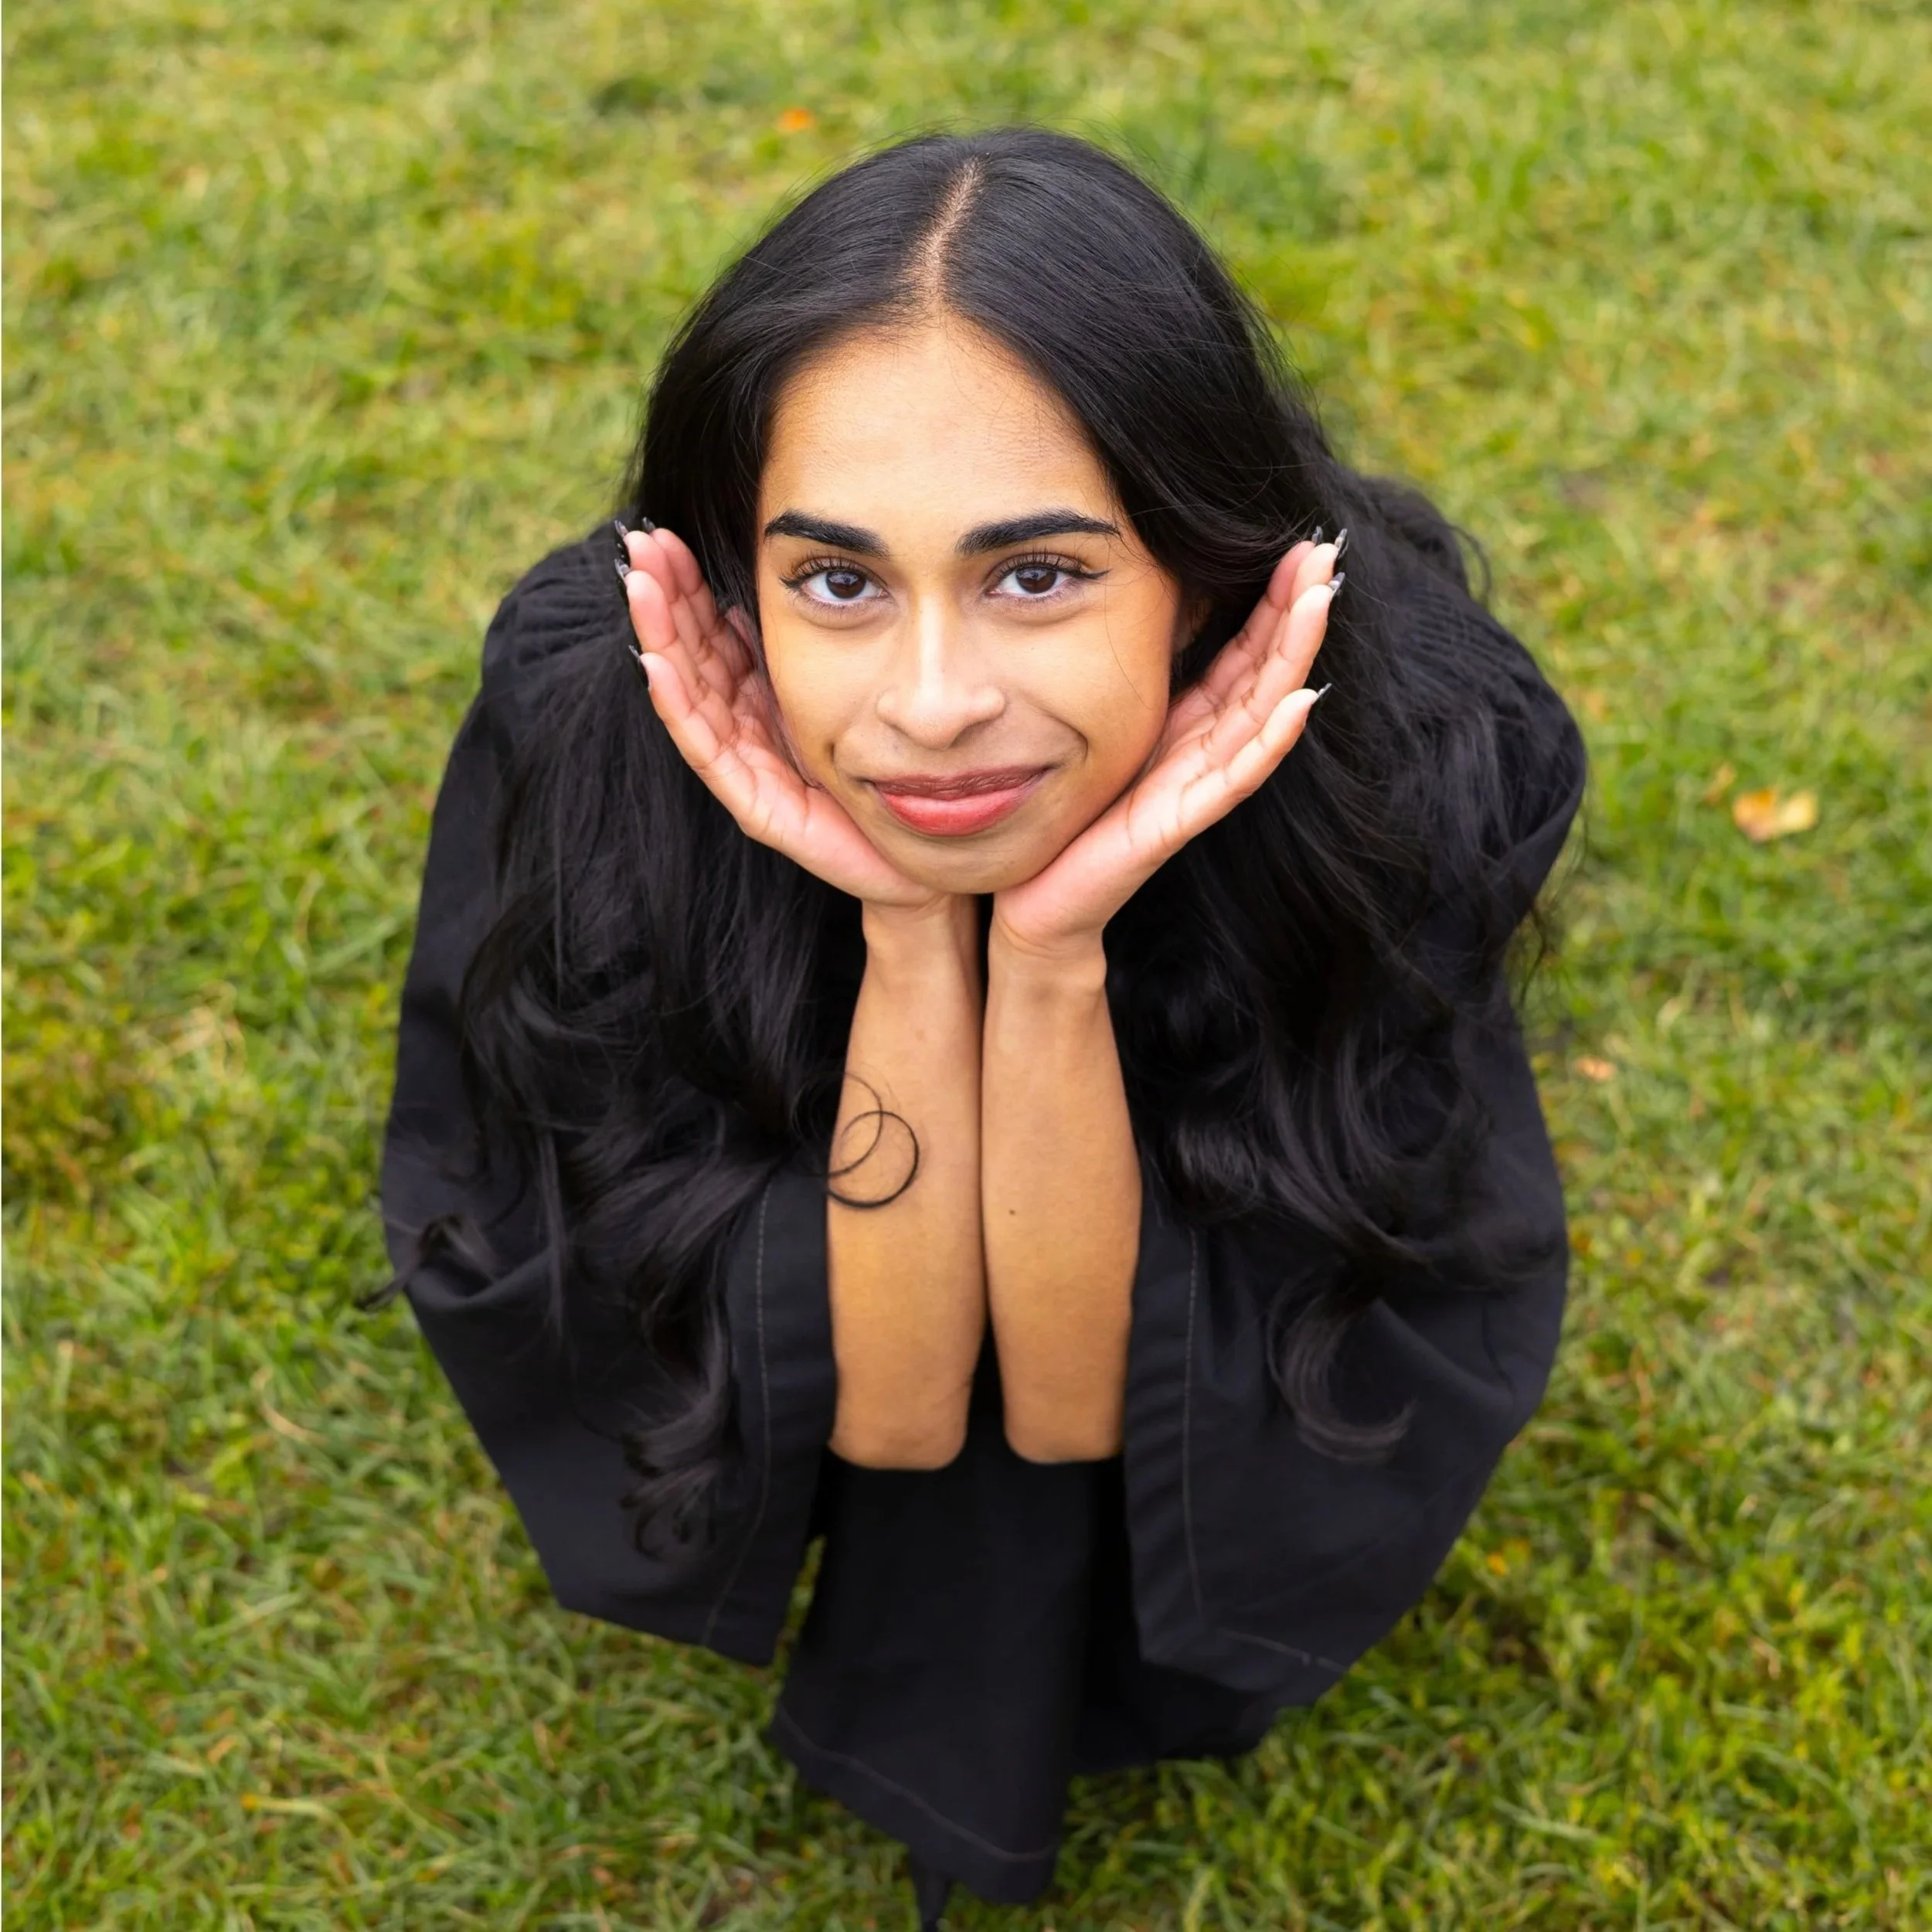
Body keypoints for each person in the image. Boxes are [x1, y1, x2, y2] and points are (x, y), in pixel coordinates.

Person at [375, 128, 1587, 1927]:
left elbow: (1086, 1395)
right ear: (734, 582)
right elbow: (902, 1412)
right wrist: (902, 936)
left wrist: (1047, 960)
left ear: (1196, 572)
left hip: (1130, 1248)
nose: (932, 708)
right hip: (857, 1266)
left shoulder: (1399, 750)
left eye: (1037, 575)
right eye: (838, 582)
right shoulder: (605, 715)